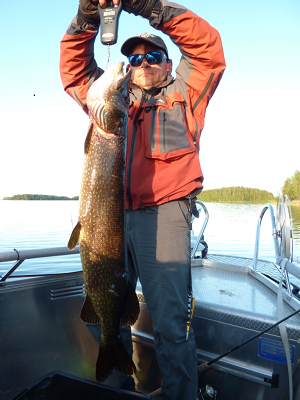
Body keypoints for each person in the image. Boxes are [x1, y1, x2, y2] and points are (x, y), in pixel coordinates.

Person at [60, 1, 225, 399]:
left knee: (170, 324)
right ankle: (115, 388)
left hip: (164, 216)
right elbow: (73, 69)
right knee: (104, 312)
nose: (142, 62)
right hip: (109, 218)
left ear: (168, 64)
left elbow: (208, 48)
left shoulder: (187, 91)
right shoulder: (112, 100)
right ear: (127, 67)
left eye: (153, 56)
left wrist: (146, 6)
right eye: (134, 58)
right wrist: (87, 19)